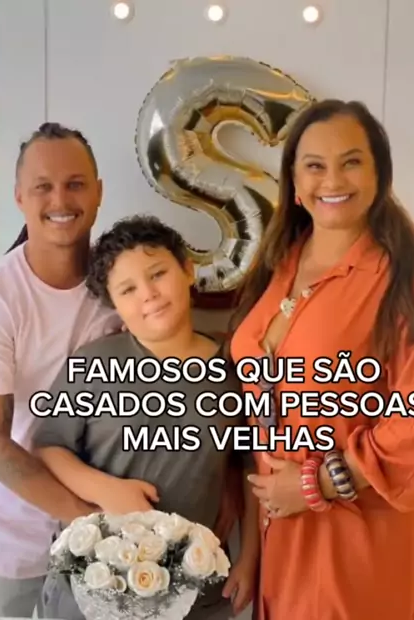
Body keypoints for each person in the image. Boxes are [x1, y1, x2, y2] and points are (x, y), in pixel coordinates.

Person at [227, 99, 414, 620]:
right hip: (282, 531)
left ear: (379, 174)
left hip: (361, 532)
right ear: (294, 180)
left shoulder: (412, 281)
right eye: (315, 165)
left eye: (351, 162)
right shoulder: (282, 259)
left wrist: (318, 484)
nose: (332, 180)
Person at [32, 214, 260, 620]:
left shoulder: (233, 369)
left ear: (187, 270)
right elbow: (49, 446)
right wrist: (106, 490)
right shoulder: (94, 364)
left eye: (158, 274)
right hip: (92, 585)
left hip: (194, 590)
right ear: (114, 304)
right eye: (128, 289)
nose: (149, 294)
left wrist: (250, 558)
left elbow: (249, 466)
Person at [0, 122, 123, 616]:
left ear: (98, 192)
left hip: (104, 548)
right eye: (43, 186)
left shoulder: (123, 286)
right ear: (19, 197)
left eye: (75, 183)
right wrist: (90, 521)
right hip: (6, 542)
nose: (60, 199)